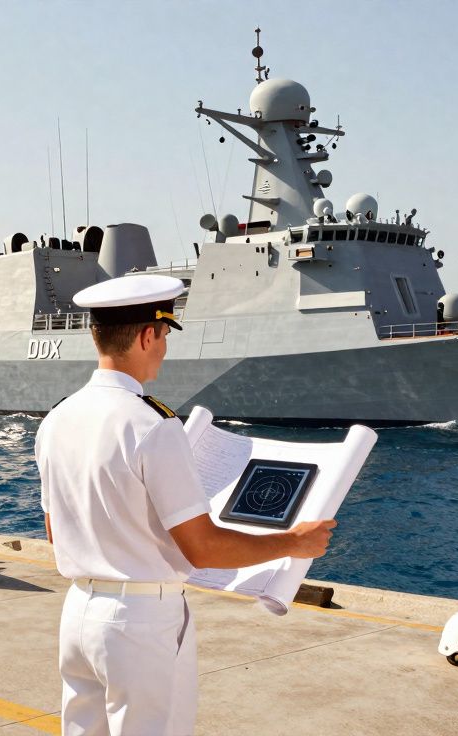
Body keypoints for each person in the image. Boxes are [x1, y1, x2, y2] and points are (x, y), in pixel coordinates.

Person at [35, 274, 336, 736]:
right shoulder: (153, 425)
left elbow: (56, 531)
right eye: (164, 335)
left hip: (78, 612)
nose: (164, 349)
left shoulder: (57, 419)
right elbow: (203, 549)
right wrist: (292, 542)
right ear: (147, 334)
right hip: (140, 622)